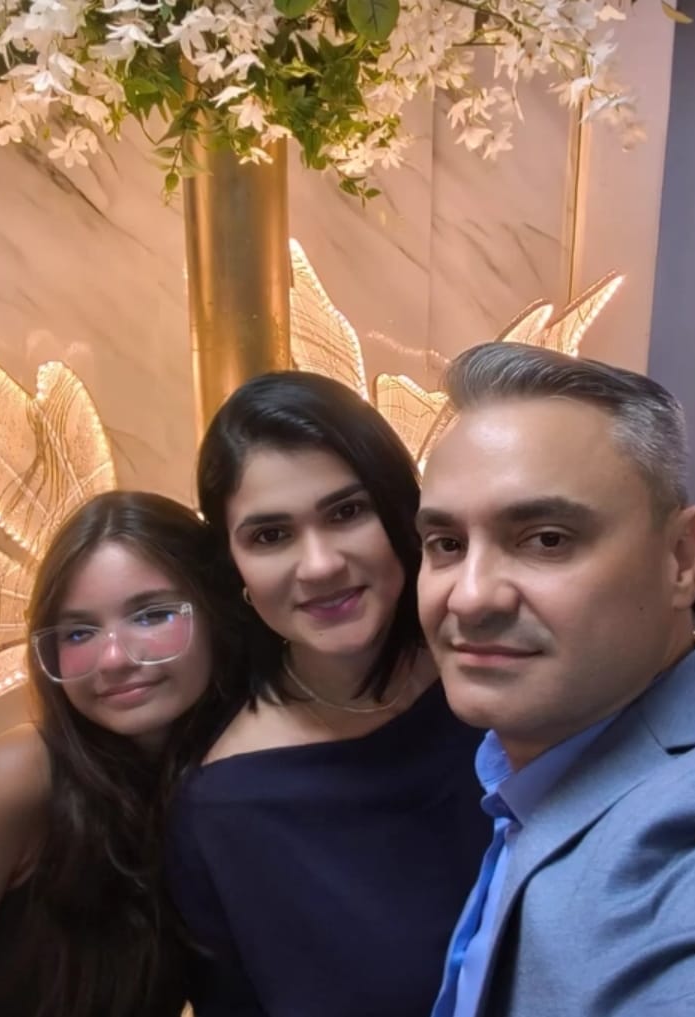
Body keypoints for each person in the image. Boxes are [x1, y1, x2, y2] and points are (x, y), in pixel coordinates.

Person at [415, 342, 695, 1017]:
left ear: (681, 559)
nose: (470, 596)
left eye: (546, 538)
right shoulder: (541, 754)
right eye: (446, 545)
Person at [166, 371, 491, 1017]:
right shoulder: (224, 810)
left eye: (346, 512)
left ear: (401, 512)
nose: (319, 565)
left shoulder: (497, 679)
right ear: (233, 565)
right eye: (270, 535)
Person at [0, 490, 232, 1017]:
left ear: (217, 612)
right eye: (79, 632)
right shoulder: (19, 775)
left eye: (151, 615)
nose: (114, 658)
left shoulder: (226, 779)